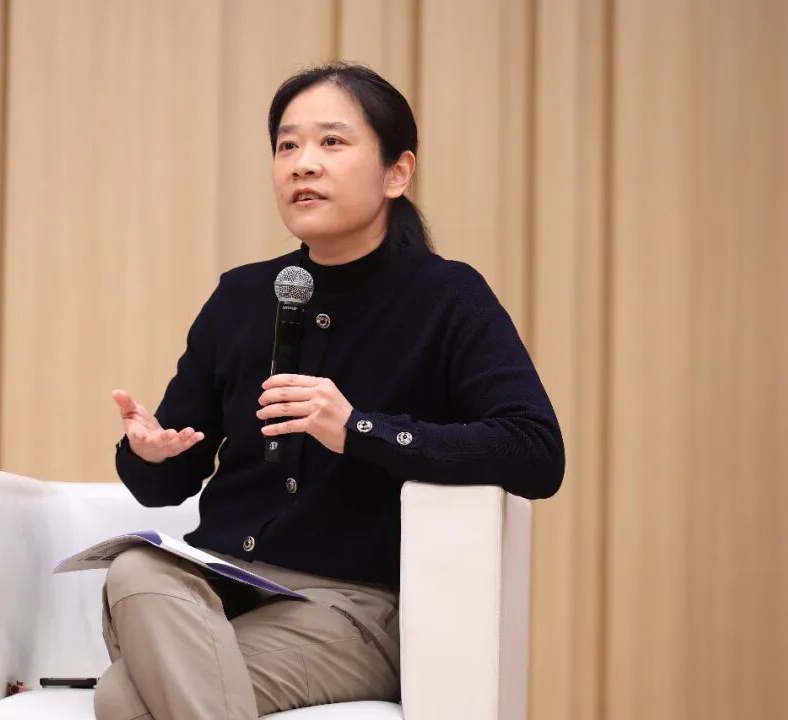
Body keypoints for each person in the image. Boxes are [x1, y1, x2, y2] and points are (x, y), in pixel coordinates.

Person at [98, 62, 565, 720]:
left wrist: (359, 429)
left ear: (397, 173)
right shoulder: (241, 297)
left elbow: (534, 451)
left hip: (349, 609)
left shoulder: (446, 297)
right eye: (287, 146)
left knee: (123, 699)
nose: (303, 164)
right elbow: (168, 484)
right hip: (222, 589)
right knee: (135, 569)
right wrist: (147, 453)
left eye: (332, 142)